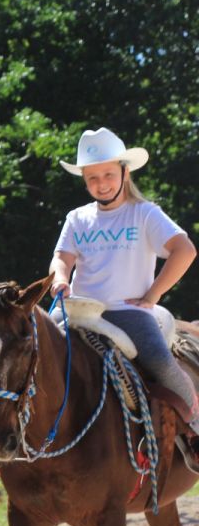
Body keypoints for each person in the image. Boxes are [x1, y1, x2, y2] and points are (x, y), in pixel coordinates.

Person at [49, 127, 199, 458]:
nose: (101, 183)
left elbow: (184, 250)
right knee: (33, 349)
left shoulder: (144, 213)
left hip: (126, 311)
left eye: (107, 174)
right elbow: (61, 258)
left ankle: (196, 426)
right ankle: (20, 441)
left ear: (124, 172)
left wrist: (153, 294)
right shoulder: (78, 218)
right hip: (78, 309)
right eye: (92, 177)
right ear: (84, 180)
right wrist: (61, 278)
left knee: (160, 362)